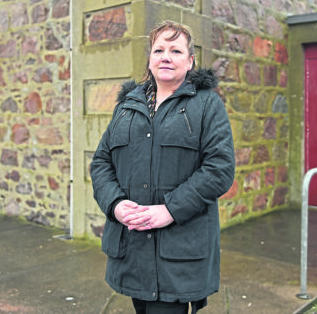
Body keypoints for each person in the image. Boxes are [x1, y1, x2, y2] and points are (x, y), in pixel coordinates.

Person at [90, 20, 235, 314]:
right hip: (132, 250)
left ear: (190, 60)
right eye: (158, 50)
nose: (165, 56)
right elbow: (101, 163)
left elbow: (219, 168)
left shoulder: (207, 105)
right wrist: (116, 204)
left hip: (178, 255)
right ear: (150, 58)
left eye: (175, 50)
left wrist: (169, 210)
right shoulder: (127, 106)